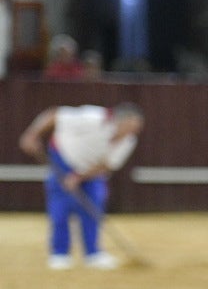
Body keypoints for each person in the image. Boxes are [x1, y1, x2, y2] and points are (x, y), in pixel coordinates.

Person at [18, 102, 144, 270]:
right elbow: (54, 114)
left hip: (90, 171)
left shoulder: (129, 140)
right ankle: (60, 254)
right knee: (60, 208)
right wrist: (31, 135)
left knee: (94, 206)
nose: (133, 133)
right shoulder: (91, 118)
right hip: (63, 158)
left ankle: (93, 254)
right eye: (130, 127)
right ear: (119, 121)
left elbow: (107, 165)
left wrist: (79, 177)